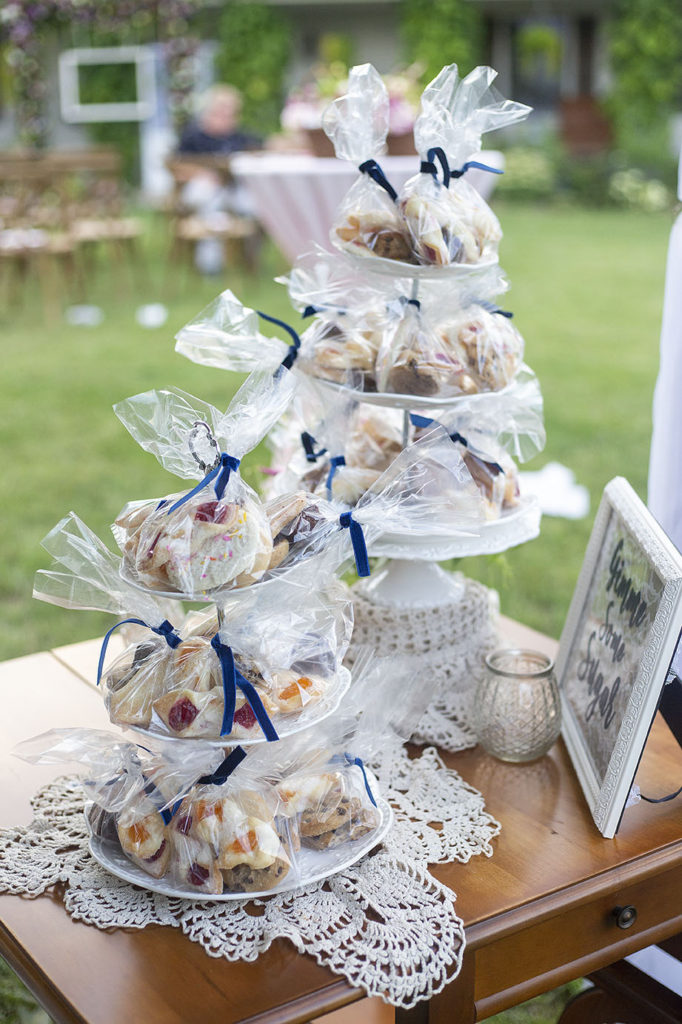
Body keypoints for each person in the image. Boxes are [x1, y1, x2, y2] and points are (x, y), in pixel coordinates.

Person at [174, 85, 262, 274]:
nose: (226, 117)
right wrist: (202, 173)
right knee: (212, 208)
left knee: (255, 206)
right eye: (221, 111)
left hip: (234, 188)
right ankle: (210, 265)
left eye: (231, 113)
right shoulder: (193, 137)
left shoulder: (239, 137)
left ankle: (249, 259)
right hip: (203, 190)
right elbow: (176, 165)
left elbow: (261, 151)